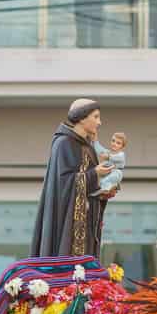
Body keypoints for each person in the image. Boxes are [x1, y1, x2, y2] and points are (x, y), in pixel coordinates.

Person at [30, 98, 115, 258]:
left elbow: (87, 185)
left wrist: (103, 191)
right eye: (95, 117)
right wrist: (94, 173)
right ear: (82, 118)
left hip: (86, 219)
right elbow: (64, 184)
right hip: (66, 222)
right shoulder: (63, 143)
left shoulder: (86, 146)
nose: (99, 122)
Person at [91, 132, 126, 197]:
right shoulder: (108, 152)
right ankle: (103, 190)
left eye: (118, 143)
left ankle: (106, 189)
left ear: (122, 146)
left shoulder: (121, 154)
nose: (114, 144)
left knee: (105, 181)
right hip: (107, 173)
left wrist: (108, 157)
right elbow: (100, 150)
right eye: (113, 141)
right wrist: (95, 141)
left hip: (116, 173)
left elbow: (117, 158)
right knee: (100, 181)